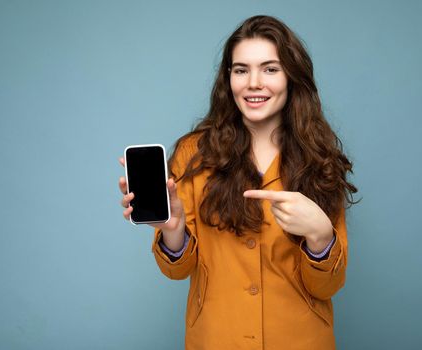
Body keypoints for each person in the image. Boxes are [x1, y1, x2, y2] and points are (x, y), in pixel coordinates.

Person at [118, 15, 357, 350]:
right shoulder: (193, 154)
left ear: (292, 77)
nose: (253, 83)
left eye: (270, 69)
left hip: (300, 340)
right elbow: (177, 271)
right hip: (217, 338)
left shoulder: (318, 157)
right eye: (241, 69)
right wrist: (173, 231)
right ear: (228, 78)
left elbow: (327, 287)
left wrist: (320, 237)